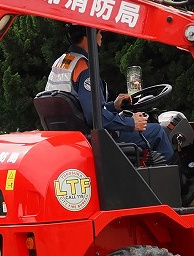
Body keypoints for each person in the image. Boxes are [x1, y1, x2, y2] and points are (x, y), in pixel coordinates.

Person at [45, 25, 174, 163]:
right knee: (157, 132)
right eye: (99, 32)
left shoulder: (62, 62)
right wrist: (131, 123)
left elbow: (80, 107)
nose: (101, 37)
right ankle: (176, 180)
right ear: (87, 35)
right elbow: (94, 116)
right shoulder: (83, 67)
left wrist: (114, 106)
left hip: (72, 135)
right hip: (95, 137)